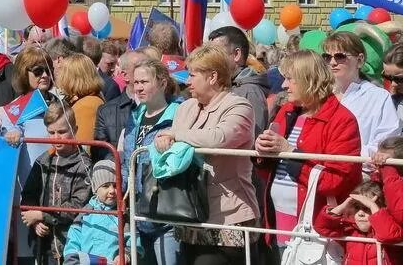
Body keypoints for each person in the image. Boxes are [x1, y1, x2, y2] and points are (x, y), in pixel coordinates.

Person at [153, 45, 259, 265]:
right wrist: (162, 139)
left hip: (228, 216)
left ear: (212, 77)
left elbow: (219, 138)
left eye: (192, 75)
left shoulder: (239, 106)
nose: (187, 81)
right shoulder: (186, 107)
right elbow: (172, 144)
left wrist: (175, 134)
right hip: (188, 212)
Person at [256, 50, 361, 256]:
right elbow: (271, 168)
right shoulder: (287, 110)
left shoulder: (342, 120)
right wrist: (261, 152)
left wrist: (290, 152)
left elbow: (337, 180)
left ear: (308, 80)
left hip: (315, 231)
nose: (284, 85)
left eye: (289, 79)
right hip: (277, 221)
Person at [121, 58, 182, 265]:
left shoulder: (179, 114)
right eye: (136, 82)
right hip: (137, 213)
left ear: (163, 83)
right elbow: (127, 161)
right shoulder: (135, 116)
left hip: (167, 213)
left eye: (144, 82)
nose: (138, 88)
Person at [21, 103, 92, 265]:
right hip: (43, 244)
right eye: (51, 132)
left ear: (75, 129)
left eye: (62, 132)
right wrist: (36, 223)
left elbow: (78, 205)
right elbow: (28, 196)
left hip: (70, 244)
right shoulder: (43, 161)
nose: (56, 138)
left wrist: (42, 215)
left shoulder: (84, 164)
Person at [323, 31, 399, 159]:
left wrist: (346, 155)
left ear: (359, 60)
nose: (332, 62)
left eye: (340, 56)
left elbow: (387, 141)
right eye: (327, 57)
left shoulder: (378, 97)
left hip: (361, 171)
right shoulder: (320, 96)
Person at [313, 180, 403, 265]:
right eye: (357, 207)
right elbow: (323, 228)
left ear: (382, 208)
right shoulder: (350, 230)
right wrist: (344, 205)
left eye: (367, 208)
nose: (361, 213)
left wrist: (372, 205)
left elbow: (388, 235)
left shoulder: (394, 228)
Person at [62, 160, 131, 265]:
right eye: (106, 186)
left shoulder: (123, 215)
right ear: (95, 188)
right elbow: (73, 241)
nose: (112, 190)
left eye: (115, 185)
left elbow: (133, 241)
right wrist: (72, 260)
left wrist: (125, 255)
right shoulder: (85, 214)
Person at [208, 26, 270, 136]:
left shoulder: (250, 92)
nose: (210, 60)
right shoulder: (222, 86)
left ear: (236, 54)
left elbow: (253, 137)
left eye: (217, 54)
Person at [55, 54, 104, 144]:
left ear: (70, 78)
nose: (59, 78)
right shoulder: (87, 99)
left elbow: (81, 146)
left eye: (62, 73)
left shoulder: (86, 105)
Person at [73, 36, 121, 101]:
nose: (113, 68)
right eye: (109, 64)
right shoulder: (75, 77)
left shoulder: (111, 85)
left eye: (115, 64)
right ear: (99, 59)